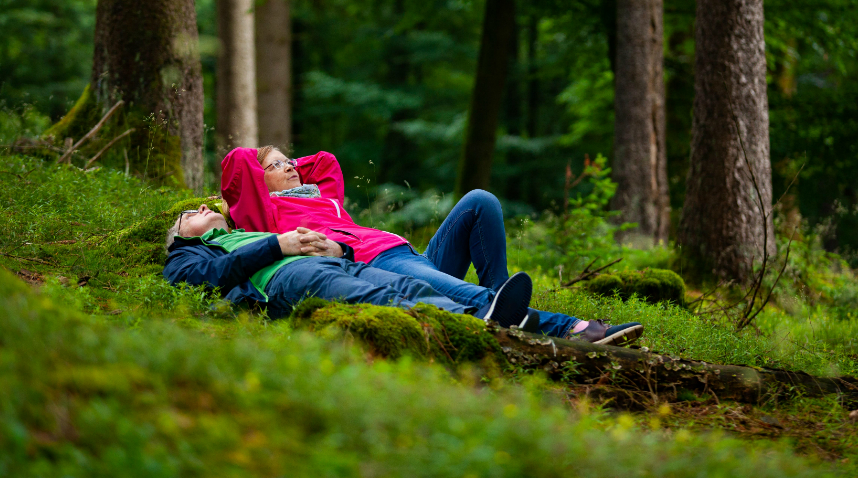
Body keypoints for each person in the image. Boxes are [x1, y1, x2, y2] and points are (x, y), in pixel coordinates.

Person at [220, 146, 645, 346]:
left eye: (291, 160)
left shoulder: (322, 196)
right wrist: (259, 164)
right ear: (258, 182)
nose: (292, 166)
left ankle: (502, 311)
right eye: (277, 165)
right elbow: (240, 164)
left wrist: (284, 163)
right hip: (375, 266)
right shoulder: (265, 217)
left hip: (408, 254)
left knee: (481, 201)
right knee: (466, 294)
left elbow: (326, 161)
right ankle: (573, 328)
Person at [164, 204, 535, 326]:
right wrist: (277, 245)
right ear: (180, 235)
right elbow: (206, 279)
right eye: (188, 214)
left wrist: (337, 248)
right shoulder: (187, 254)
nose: (201, 208)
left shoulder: (247, 231)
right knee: (374, 296)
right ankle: (475, 326)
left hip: (337, 262)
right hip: (291, 275)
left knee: (411, 288)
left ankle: (482, 321)